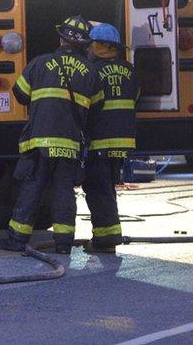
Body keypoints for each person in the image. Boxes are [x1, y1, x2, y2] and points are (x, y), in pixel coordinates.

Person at [0, 15, 100, 255]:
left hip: (39, 141)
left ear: (61, 39)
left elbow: (20, 94)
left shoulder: (40, 63)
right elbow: (96, 108)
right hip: (70, 144)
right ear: (85, 45)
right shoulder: (91, 72)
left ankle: (17, 239)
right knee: (64, 192)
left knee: (32, 189)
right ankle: (64, 244)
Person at [83, 23, 138, 254]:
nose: (87, 49)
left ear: (100, 46)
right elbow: (135, 98)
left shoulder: (92, 71)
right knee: (107, 187)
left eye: (90, 44)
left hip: (100, 140)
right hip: (123, 141)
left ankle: (106, 240)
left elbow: (89, 105)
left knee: (97, 189)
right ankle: (107, 236)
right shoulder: (130, 70)